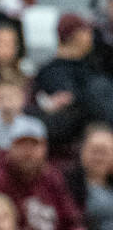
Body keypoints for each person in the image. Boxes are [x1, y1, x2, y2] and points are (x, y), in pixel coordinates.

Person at [33, 14, 113, 155]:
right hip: (78, 142)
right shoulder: (53, 71)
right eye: (86, 31)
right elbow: (69, 105)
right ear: (74, 35)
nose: (91, 36)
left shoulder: (91, 66)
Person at [66, 124, 113, 230]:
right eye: (95, 150)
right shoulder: (67, 182)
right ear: (82, 151)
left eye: (105, 152)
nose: (99, 157)